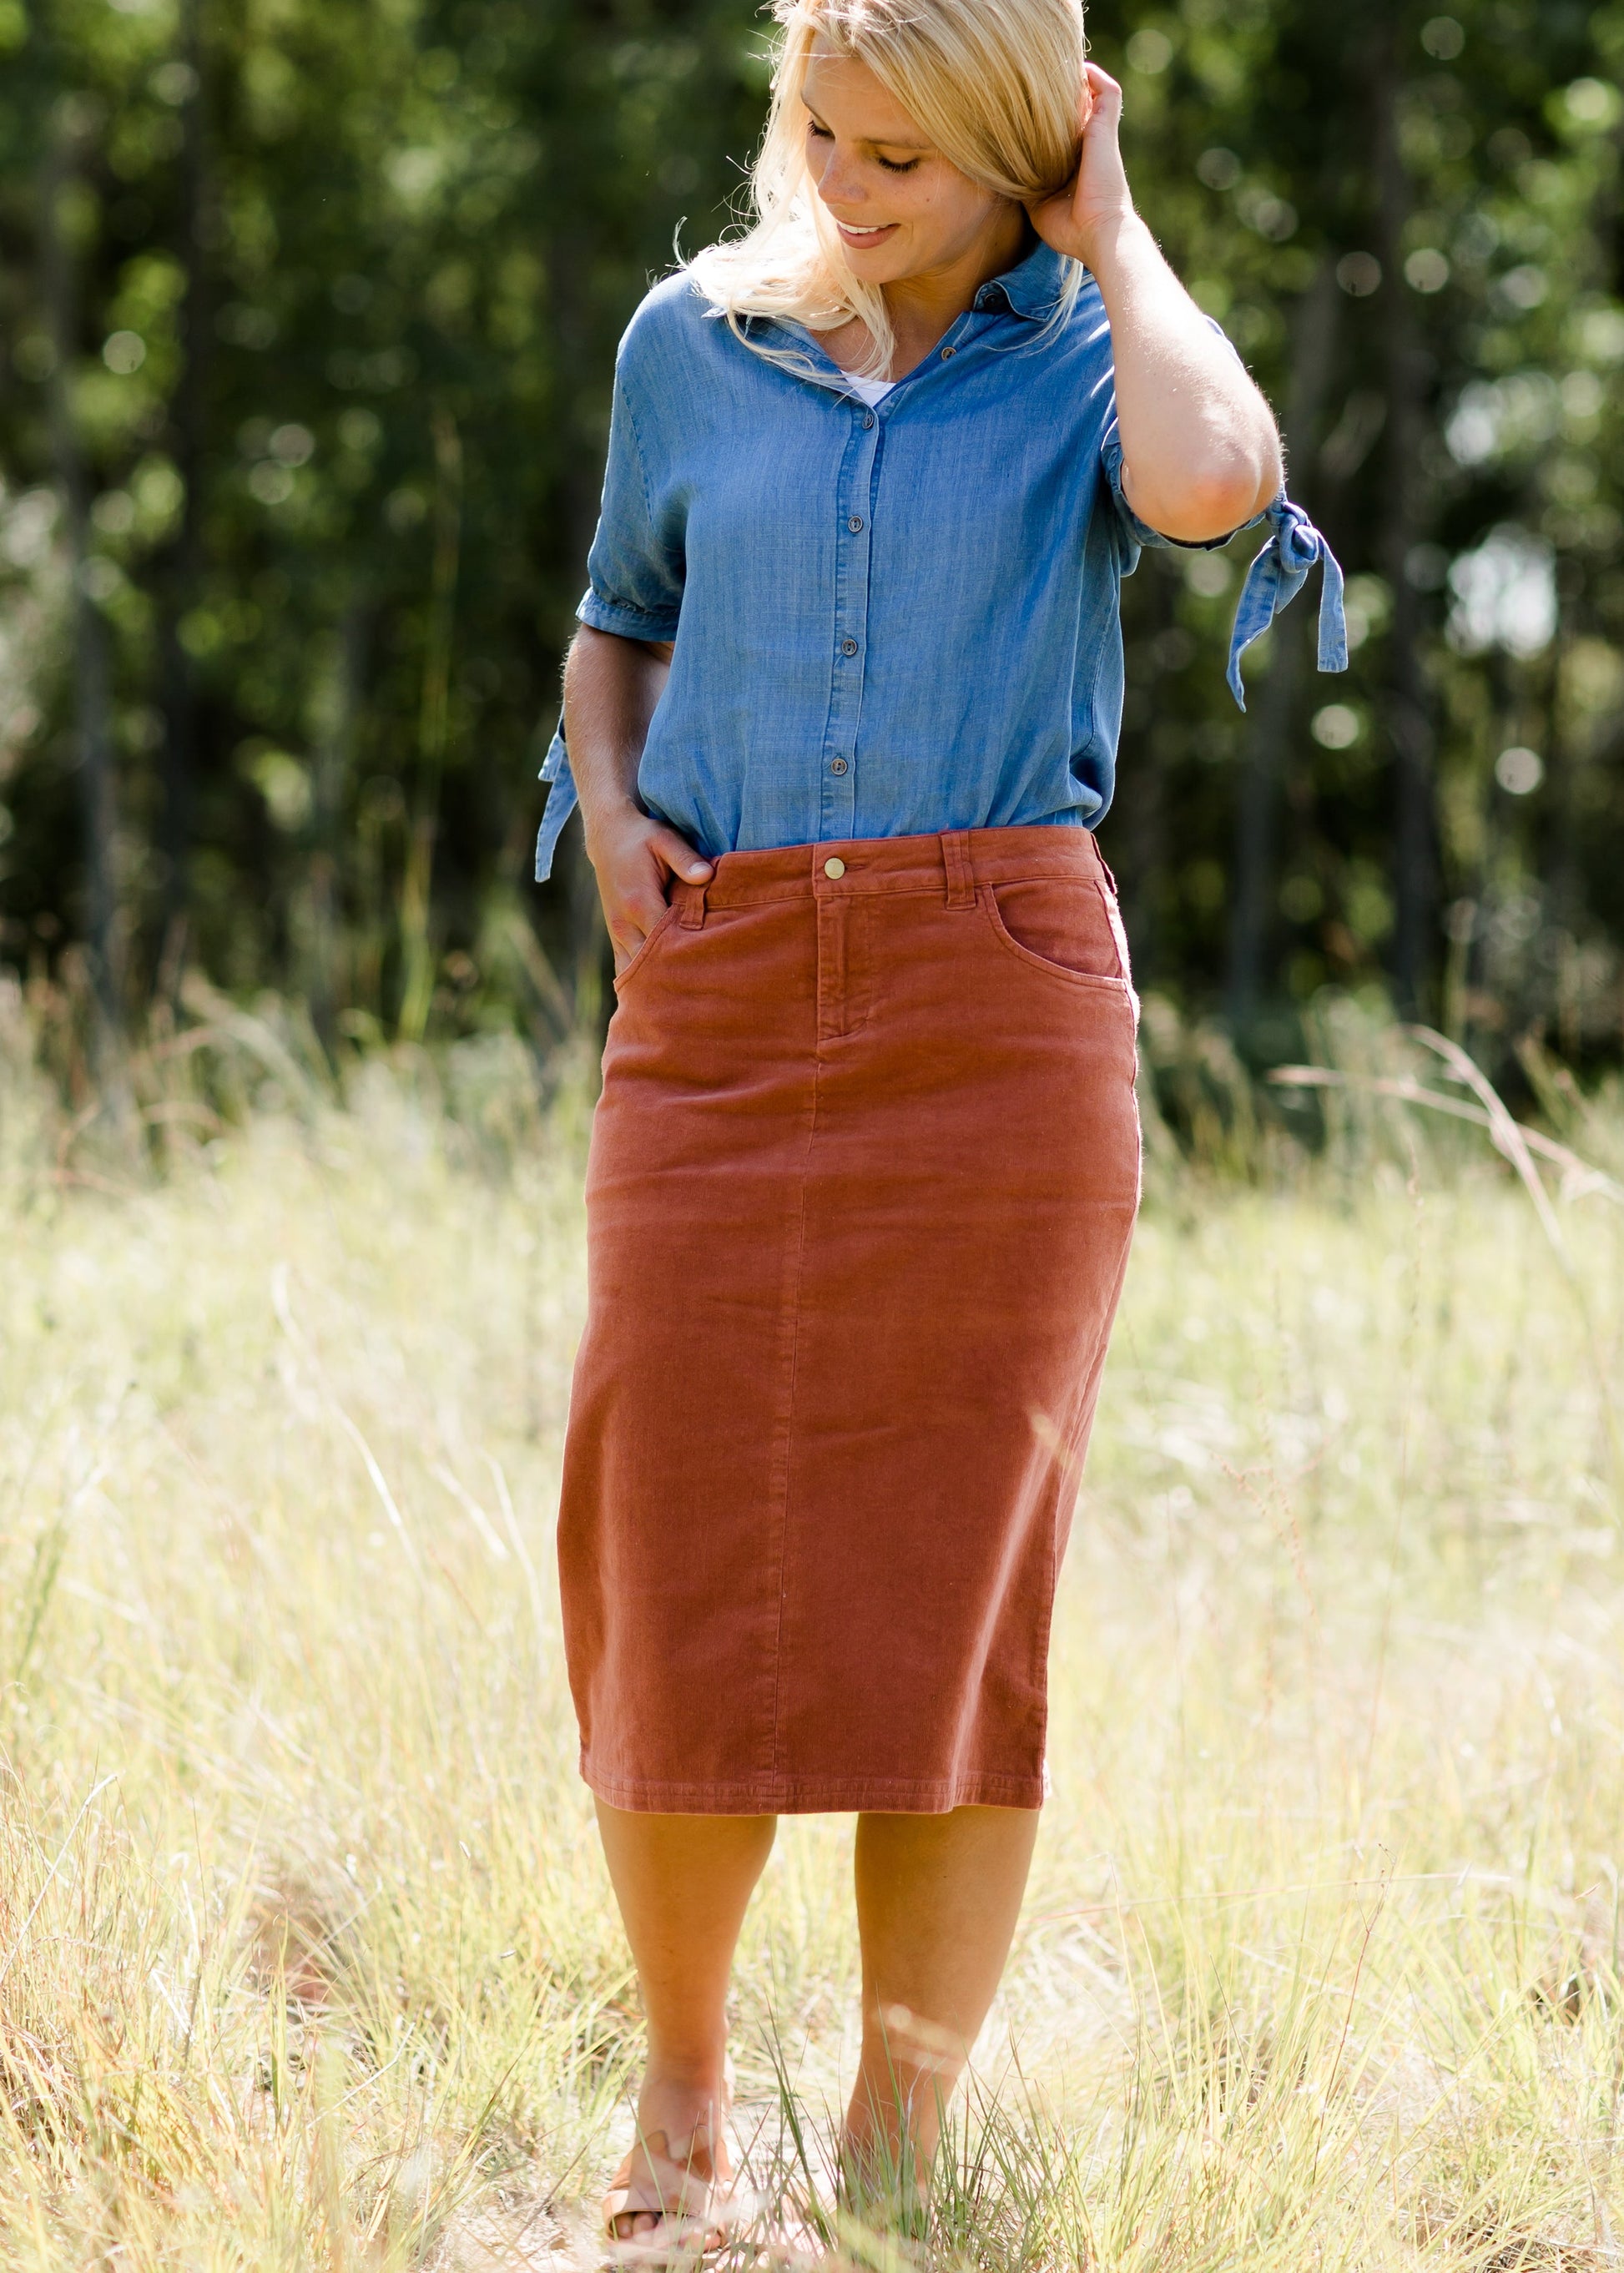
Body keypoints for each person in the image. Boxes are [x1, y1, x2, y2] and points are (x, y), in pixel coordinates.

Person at [532, 0, 1344, 2244]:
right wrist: (609, 810)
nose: (841, 185)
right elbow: (618, 620)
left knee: (954, 1593)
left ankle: (895, 2154)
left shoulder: (1092, 356)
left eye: (899, 154)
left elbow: (1216, 487)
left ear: (1020, 148)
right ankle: (682, 2105)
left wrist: (1113, 232)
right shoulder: (694, 344)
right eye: (817, 130)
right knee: (667, 1554)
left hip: (997, 1000)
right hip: (715, 999)